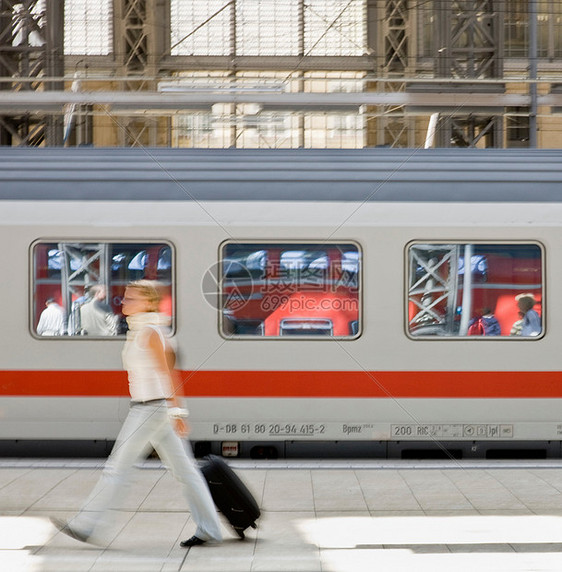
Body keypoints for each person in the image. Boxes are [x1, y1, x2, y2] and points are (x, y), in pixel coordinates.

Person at [51, 280, 222, 547]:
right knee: (185, 472)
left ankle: (87, 524)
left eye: (132, 298)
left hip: (151, 408)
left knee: (116, 468)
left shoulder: (152, 333)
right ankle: (210, 529)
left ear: (148, 302)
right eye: (125, 297)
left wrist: (178, 412)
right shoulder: (139, 330)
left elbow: (171, 374)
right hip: (152, 408)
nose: (124, 302)